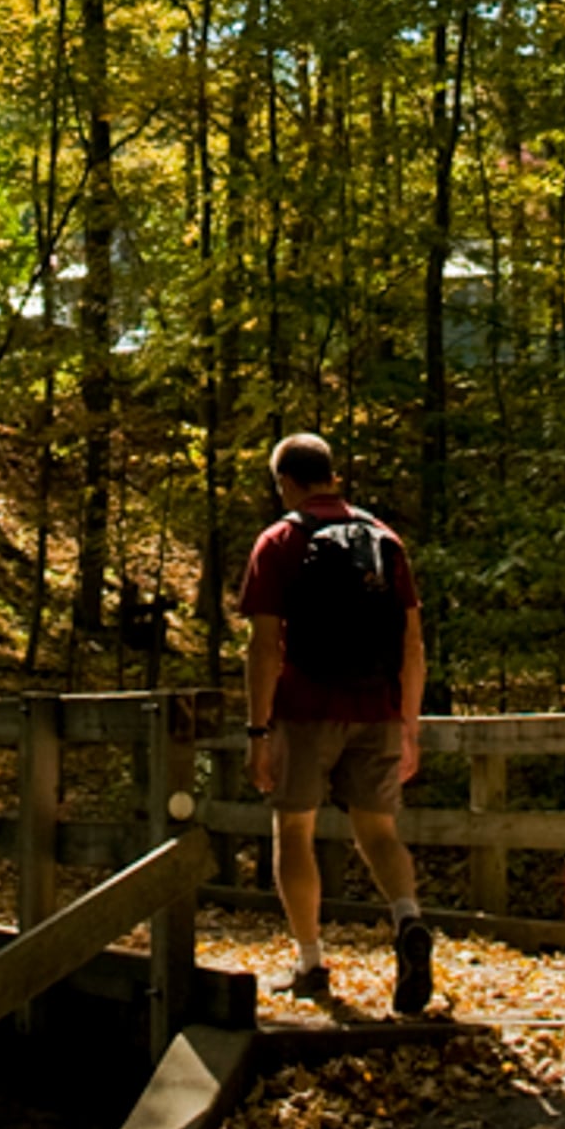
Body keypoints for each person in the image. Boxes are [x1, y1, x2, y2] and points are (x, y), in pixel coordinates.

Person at [240, 431, 435, 1014]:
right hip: (376, 708)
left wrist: (258, 732)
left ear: (286, 482)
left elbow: (263, 646)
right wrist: (409, 725)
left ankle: (310, 964)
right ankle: (408, 920)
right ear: (332, 475)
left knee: (293, 832)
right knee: (379, 832)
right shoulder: (385, 541)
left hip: (304, 709)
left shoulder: (279, 541)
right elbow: (413, 642)